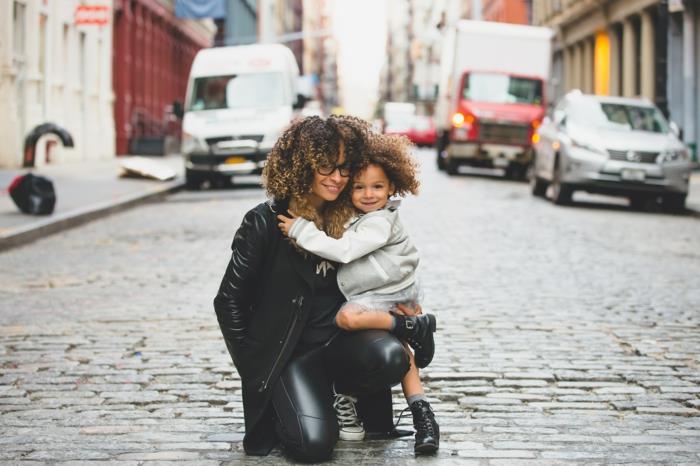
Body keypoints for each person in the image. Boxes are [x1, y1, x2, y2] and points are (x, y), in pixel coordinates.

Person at [213, 115, 424, 462]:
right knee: (313, 446)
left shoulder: (352, 216)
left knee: (391, 356)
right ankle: (299, 402)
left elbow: (386, 266)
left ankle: (341, 396)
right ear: (301, 165)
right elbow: (228, 302)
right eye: (326, 166)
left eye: (344, 168)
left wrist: (403, 307)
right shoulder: (265, 222)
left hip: (340, 343)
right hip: (291, 355)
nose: (337, 178)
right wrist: (255, 369)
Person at [277, 133, 440, 454]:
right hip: (387, 291)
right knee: (402, 348)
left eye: (377, 187)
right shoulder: (359, 216)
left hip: (385, 292)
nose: (367, 194)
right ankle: (424, 413)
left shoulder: (380, 221)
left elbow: (346, 250)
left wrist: (300, 230)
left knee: (348, 317)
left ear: (392, 187)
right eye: (359, 187)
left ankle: (407, 331)